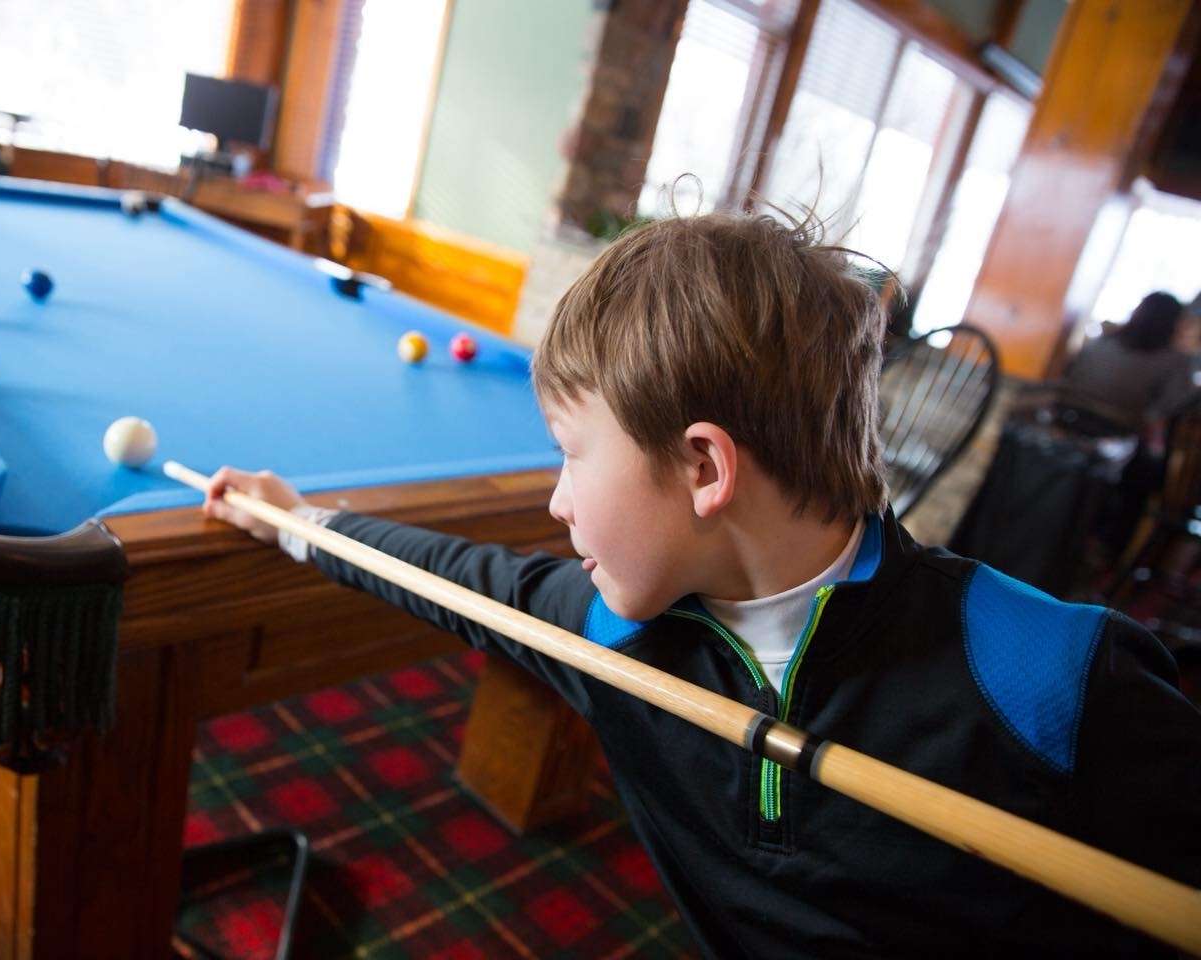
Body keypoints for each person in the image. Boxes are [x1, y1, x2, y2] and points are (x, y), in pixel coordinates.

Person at [202, 212, 1200, 958]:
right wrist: (302, 523)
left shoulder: (1051, 676)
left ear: (704, 468)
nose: (556, 503)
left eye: (570, 455)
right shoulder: (616, 634)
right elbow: (475, 586)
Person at [1059, 291, 1198, 435]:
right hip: (1117, 430)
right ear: (1174, 322)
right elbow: (1167, 407)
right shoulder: (1175, 359)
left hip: (1067, 414)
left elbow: (1072, 374)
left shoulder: (1105, 340)